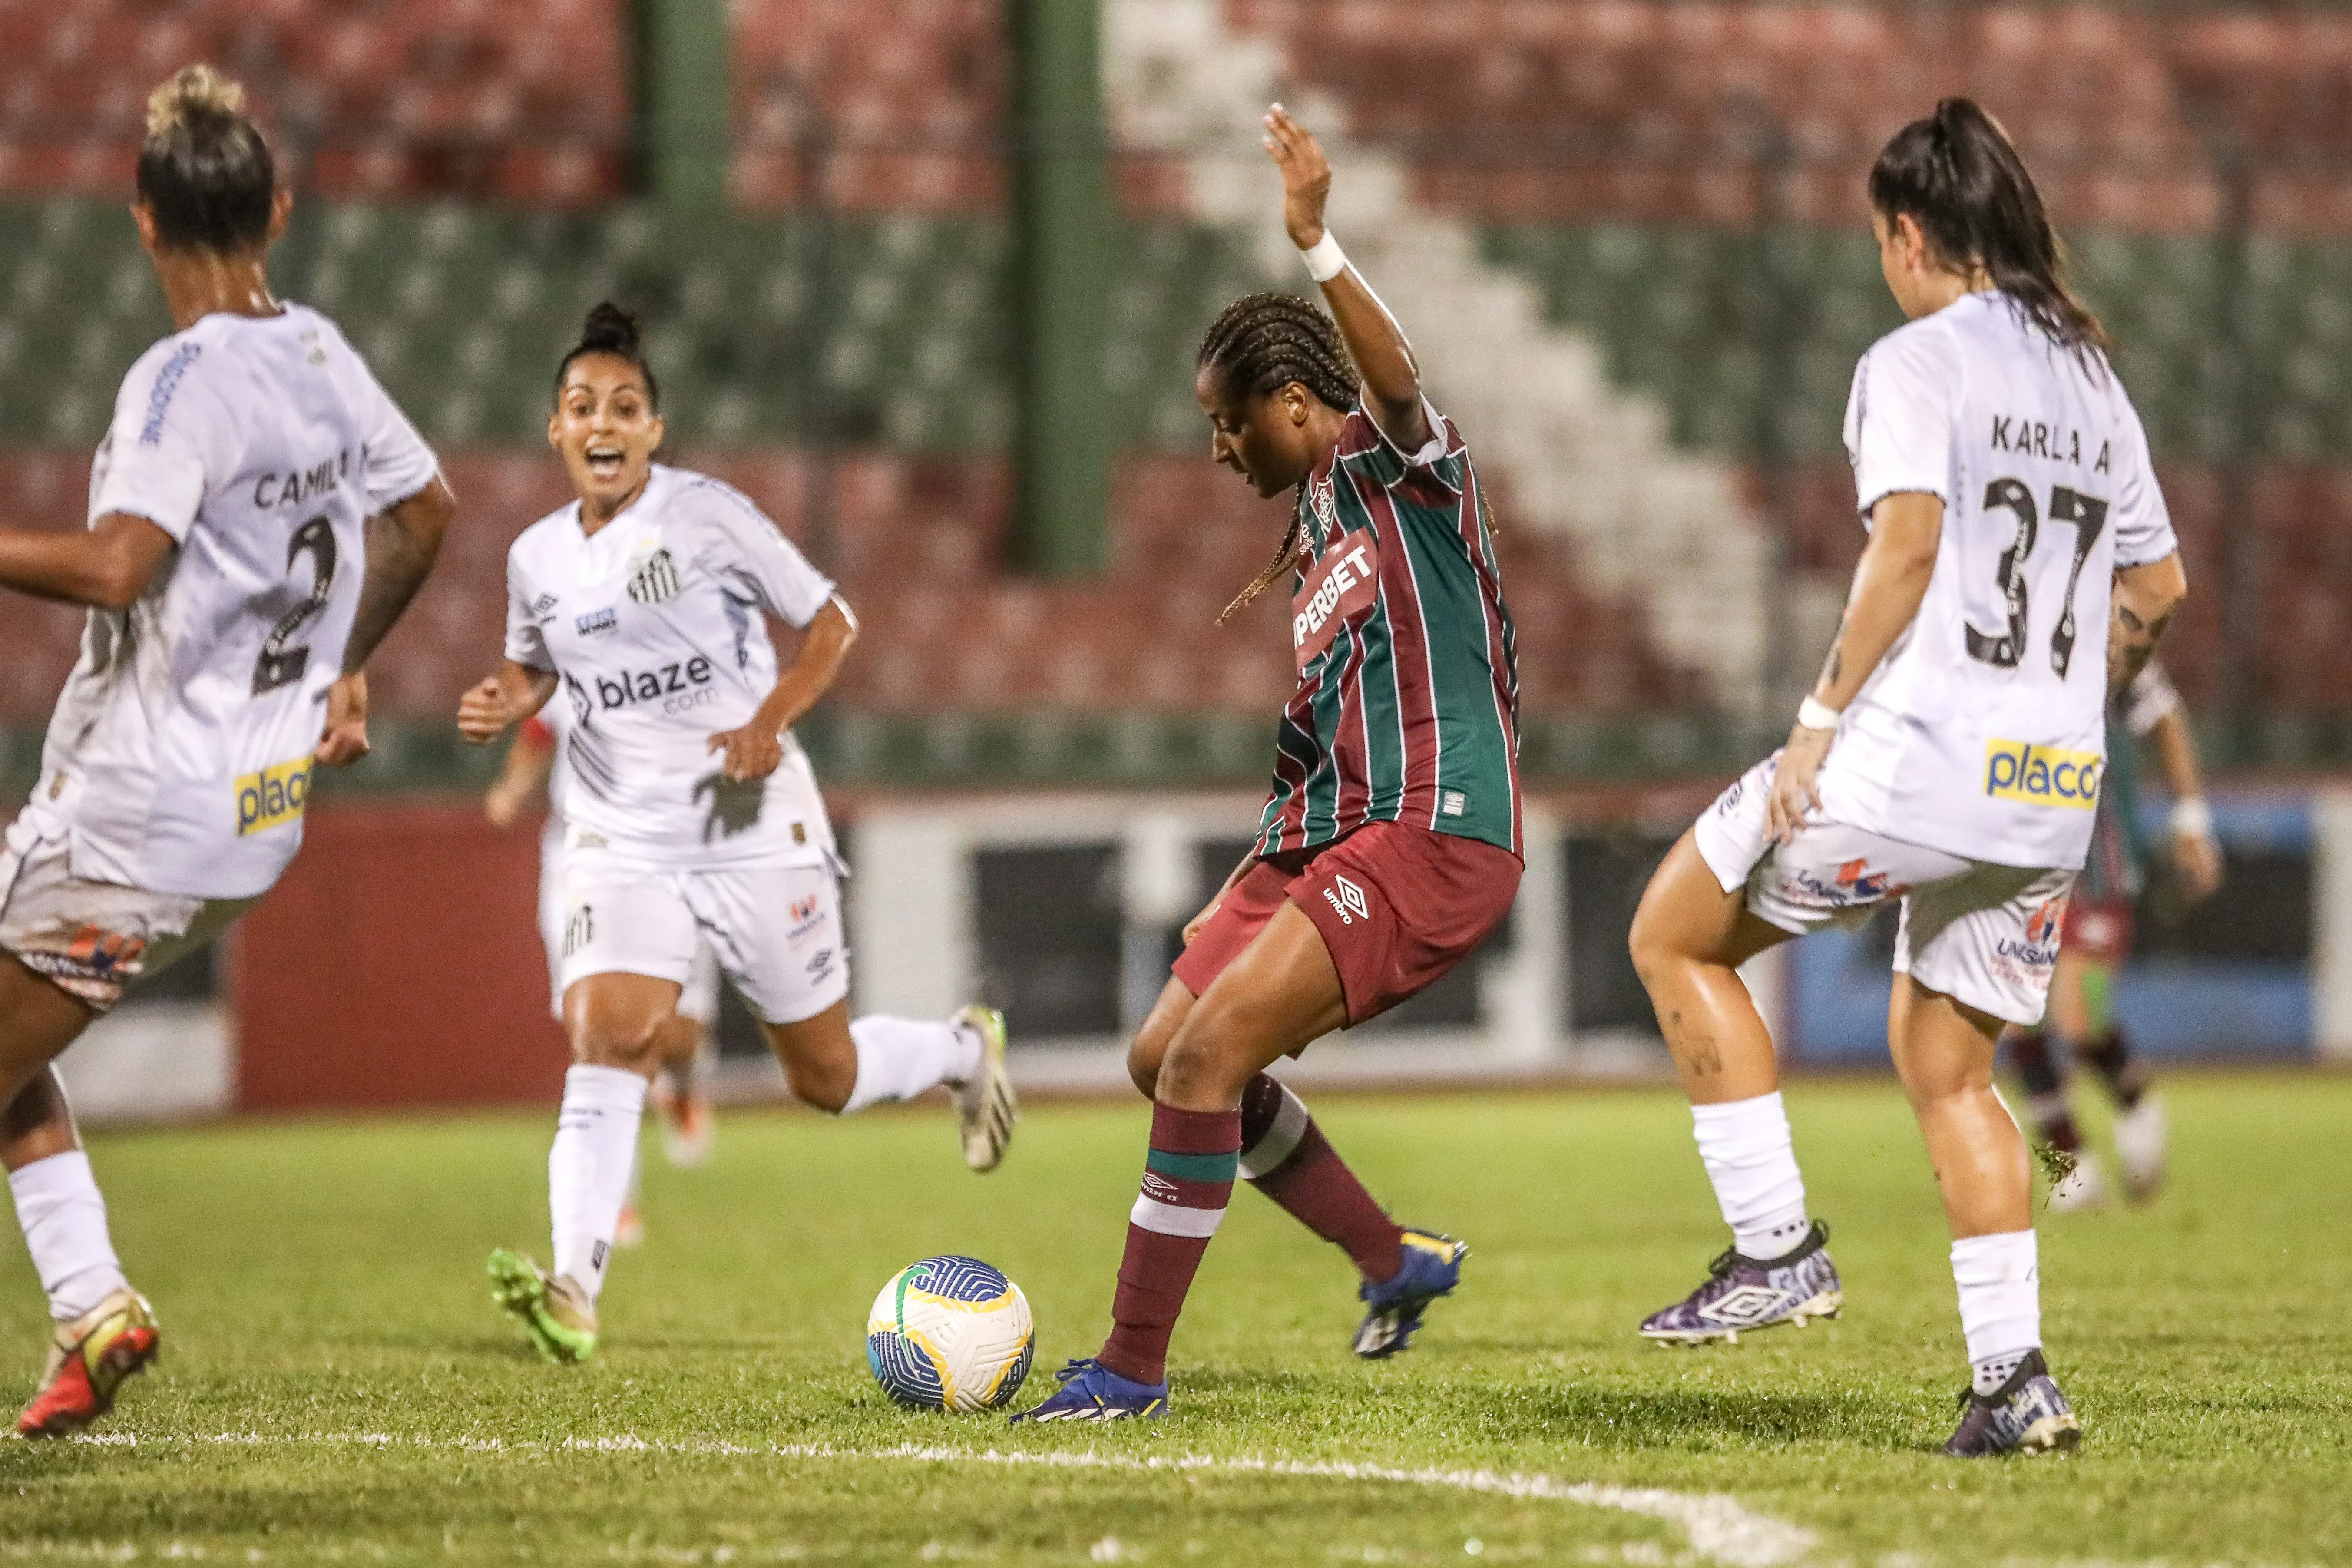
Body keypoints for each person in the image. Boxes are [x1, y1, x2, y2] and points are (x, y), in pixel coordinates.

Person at [1623, 99, 2187, 1457]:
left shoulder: (1913, 361)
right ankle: (2012, 1383)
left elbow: (1908, 544)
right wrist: (2067, 695)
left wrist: (1816, 720)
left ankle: (1773, 1246)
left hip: (1917, 757)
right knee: (1948, 1068)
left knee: (1671, 933)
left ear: (1908, 233)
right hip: (2048, 788)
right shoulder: (2088, 378)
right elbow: (2159, 587)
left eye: (1879, 237)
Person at [1014, 106, 1521, 1424]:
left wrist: (1315, 242)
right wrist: (1248, 879)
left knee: (1207, 1063)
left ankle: (1128, 1370)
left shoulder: (1395, 471)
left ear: (1293, 401)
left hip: (1437, 829)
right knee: (1162, 1053)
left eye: (1226, 422)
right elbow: (1325, 747)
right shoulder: (1317, 534)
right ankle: (1391, 1260)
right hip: (1333, 832)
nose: (1216, 447)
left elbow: (1397, 379)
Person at [0, 66, 456, 1436]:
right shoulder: (319, 355)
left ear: (143, 218)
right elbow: (425, 513)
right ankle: (92, 1304)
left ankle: (95, 1303)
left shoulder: (179, 380)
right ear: (280, 209)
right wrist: (344, 663)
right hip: (251, 820)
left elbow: (119, 564)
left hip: (136, 816)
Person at [457, 302, 1016, 1365]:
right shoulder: (535, 557)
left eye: (625, 405)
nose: (603, 422)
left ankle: (959, 1049)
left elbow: (833, 620)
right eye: (583, 406)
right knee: (605, 1033)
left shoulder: (707, 515)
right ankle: (574, 1284)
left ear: (654, 430)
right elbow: (538, 664)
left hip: (749, 818)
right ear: (556, 428)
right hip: (620, 832)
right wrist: (507, 695)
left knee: (825, 1075)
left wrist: (768, 719)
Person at [2004, 658, 2221, 1208]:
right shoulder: (1984, 640)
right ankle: (2069, 1167)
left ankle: (2136, 1102)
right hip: (2013, 869)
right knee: (2015, 1024)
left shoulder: (2108, 641)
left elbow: (2167, 717)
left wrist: (2192, 821)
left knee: (2079, 1017)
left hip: (2098, 868)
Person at [486, 707, 721, 1207]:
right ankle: (610, 1198)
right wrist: (513, 788)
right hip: (580, 858)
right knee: (599, 1029)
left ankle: (679, 1084)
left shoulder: (694, 669)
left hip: (672, 855)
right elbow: (538, 731)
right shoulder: (571, 666)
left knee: (680, 1035)